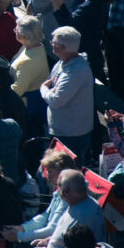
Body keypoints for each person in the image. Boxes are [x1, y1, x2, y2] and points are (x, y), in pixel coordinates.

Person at [41, 26, 95, 160]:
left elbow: (56, 100)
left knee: (69, 173)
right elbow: (52, 83)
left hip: (71, 135)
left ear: (63, 47)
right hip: (63, 130)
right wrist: (50, 90)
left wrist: (43, 89)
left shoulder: (76, 71)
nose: (51, 44)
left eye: (54, 42)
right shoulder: (61, 63)